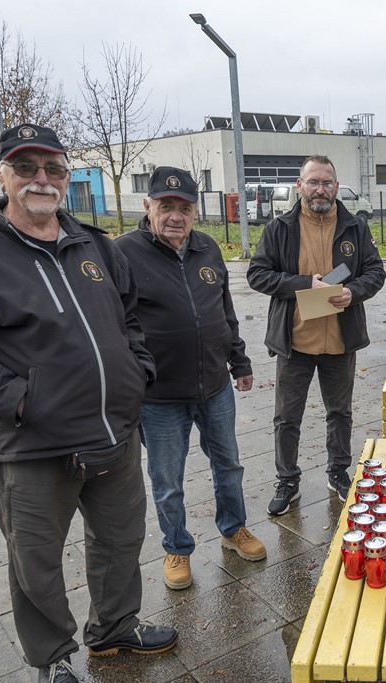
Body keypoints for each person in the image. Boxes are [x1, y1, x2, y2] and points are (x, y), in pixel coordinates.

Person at [0, 123, 176, 683]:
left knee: (121, 541)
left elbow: (129, 317)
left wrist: (137, 371)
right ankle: (53, 658)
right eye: (26, 167)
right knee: (36, 563)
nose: (41, 179)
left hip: (115, 430)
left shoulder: (93, 243)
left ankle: (113, 629)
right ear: (2, 173)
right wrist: (18, 400)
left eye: (53, 168)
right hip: (35, 443)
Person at [116, 166, 266, 592]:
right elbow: (115, 323)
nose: (175, 216)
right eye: (166, 206)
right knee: (168, 481)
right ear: (148, 207)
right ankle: (177, 546)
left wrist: (239, 361)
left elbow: (224, 311)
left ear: (195, 211)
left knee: (229, 466)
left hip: (214, 386)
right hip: (159, 396)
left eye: (184, 207)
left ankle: (233, 528)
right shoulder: (124, 253)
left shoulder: (208, 249)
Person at [247, 155, 386, 515]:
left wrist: (353, 292)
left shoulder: (354, 226)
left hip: (340, 341)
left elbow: (375, 272)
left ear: (336, 187)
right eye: (313, 182)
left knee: (339, 413)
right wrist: (302, 284)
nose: (320, 189)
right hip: (295, 341)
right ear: (300, 185)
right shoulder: (280, 227)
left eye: (327, 182)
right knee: (286, 417)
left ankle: (338, 474)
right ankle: (287, 480)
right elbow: (257, 275)